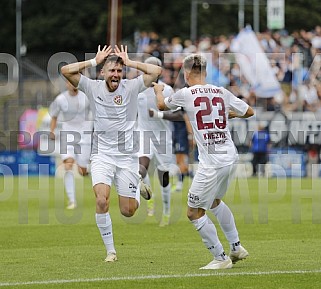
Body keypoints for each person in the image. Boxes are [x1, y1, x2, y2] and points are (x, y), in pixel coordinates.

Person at [61, 45, 162, 262]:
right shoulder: (92, 86)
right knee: (101, 201)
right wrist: (93, 61)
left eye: (118, 71)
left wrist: (131, 62)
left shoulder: (132, 86)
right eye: (111, 71)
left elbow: (155, 72)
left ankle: (137, 189)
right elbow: (65, 70)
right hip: (102, 155)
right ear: (103, 73)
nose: (115, 74)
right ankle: (111, 251)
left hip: (126, 157)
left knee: (128, 211)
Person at [153, 54, 254, 270]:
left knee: (193, 211)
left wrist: (158, 91)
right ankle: (236, 246)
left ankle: (220, 257)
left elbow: (161, 106)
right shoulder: (221, 91)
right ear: (205, 73)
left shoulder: (185, 93)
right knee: (215, 201)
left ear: (186, 74)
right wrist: (231, 115)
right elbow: (249, 111)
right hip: (230, 156)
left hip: (212, 162)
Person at [136, 56, 175, 226]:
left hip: (162, 138)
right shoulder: (137, 88)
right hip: (143, 134)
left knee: (163, 176)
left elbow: (178, 114)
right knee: (141, 168)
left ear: (159, 71)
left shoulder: (167, 90)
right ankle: (148, 198)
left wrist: (159, 114)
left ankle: (166, 211)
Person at [49, 80, 93, 209]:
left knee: (82, 171)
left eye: (74, 82)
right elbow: (54, 116)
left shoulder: (86, 97)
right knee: (68, 165)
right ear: (66, 84)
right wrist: (51, 131)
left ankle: (91, 170)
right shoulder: (61, 99)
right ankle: (72, 200)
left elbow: (96, 113)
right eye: (69, 82)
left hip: (84, 137)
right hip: (67, 136)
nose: (72, 84)